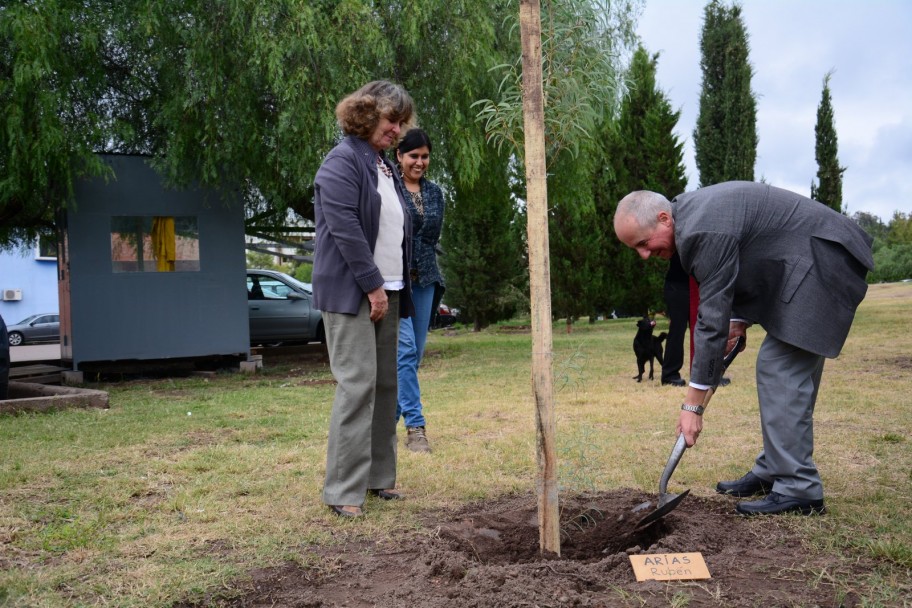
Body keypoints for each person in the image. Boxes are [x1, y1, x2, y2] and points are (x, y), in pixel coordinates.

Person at [613, 181, 873, 516]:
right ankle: (776, 469)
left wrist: (692, 407)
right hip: (807, 260)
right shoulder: (692, 218)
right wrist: (738, 319)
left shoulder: (700, 230)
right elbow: (740, 265)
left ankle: (799, 488)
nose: (644, 255)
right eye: (636, 248)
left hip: (823, 259)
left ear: (664, 218)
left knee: (779, 368)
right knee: (784, 374)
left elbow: (711, 319)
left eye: (644, 244)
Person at [312, 80, 416, 518]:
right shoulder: (342, 161)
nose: (398, 130)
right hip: (353, 291)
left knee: (386, 386)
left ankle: (378, 478)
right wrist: (372, 285)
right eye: (392, 121)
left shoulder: (382, 165)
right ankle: (342, 489)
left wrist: (391, 286)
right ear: (367, 115)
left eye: (402, 123)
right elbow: (345, 229)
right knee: (357, 386)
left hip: (387, 289)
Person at [394, 129, 445, 453]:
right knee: (405, 352)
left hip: (425, 280)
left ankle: (383, 427)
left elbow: (430, 238)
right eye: (414, 156)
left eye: (424, 156)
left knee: (413, 358)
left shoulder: (436, 193)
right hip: (396, 280)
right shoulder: (386, 187)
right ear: (400, 155)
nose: (420, 162)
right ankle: (416, 428)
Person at [660, 252, 689, 386]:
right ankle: (670, 374)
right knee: (677, 329)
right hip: (678, 284)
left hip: (701, 284)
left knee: (709, 327)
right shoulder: (677, 232)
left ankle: (710, 373)